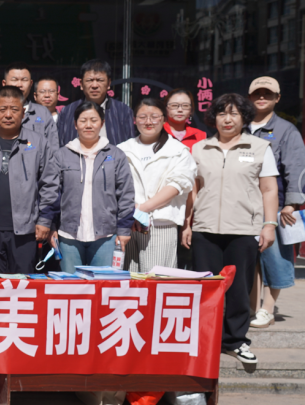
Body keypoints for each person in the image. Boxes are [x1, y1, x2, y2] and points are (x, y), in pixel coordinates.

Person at [186, 93, 279, 364]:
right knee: (207, 288)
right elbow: (193, 190)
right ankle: (206, 340)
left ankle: (235, 341)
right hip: (205, 229)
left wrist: (269, 225)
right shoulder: (200, 149)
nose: (228, 119)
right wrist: (188, 224)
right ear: (213, 118)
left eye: (234, 113)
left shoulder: (260, 147)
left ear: (244, 117)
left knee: (239, 289)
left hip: (243, 229)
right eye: (222, 113)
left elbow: (269, 189)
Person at [39, 101, 134, 272]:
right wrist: (51, 226)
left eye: (94, 120)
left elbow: (126, 194)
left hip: (106, 235)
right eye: (83, 120)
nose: (88, 125)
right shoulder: (61, 155)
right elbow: (51, 193)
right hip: (68, 235)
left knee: (102, 283)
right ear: (75, 124)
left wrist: (124, 229)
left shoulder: (116, 155)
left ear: (102, 123)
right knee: (71, 283)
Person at [0, 86, 52, 276]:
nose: (8, 115)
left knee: (22, 285)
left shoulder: (38, 143)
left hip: (26, 230)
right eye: (2, 109)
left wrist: (45, 220)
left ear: (23, 113)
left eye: (14, 109)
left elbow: (49, 184)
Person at [247, 76, 305, 328]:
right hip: (243, 205)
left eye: (268, 94)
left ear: (277, 98)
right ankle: (251, 307)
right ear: (249, 97)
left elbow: (296, 168)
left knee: (274, 258)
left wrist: (292, 203)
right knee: (249, 260)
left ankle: (267, 309)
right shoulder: (239, 125)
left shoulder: (286, 130)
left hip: (275, 205)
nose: (262, 98)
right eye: (257, 93)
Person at [118, 98, 196, 272]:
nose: (148, 121)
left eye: (154, 116)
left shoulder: (178, 151)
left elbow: (177, 185)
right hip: (128, 225)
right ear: (134, 119)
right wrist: (131, 211)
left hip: (160, 224)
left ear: (163, 119)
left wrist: (141, 209)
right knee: (127, 278)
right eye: (142, 117)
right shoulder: (122, 149)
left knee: (155, 278)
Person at [0, 63, 58, 148]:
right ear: (4, 83)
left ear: (31, 83)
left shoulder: (43, 113)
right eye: (14, 79)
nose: (19, 84)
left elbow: (52, 150)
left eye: (24, 80)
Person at [57, 59, 135, 146]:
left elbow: (130, 146)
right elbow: (60, 146)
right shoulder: (67, 112)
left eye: (100, 80)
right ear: (81, 84)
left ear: (109, 83)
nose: (94, 85)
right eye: (89, 80)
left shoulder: (123, 111)